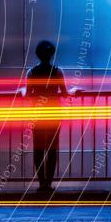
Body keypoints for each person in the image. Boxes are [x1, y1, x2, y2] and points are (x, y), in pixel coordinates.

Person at [25, 40, 69, 192]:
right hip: (53, 114)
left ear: (38, 54)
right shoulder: (57, 71)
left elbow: (28, 93)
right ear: (51, 54)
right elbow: (64, 93)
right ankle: (49, 184)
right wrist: (74, 90)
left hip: (37, 114)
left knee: (38, 149)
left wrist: (21, 92)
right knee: (51, 149)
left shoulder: (31, 72)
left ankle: (41, 183)